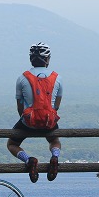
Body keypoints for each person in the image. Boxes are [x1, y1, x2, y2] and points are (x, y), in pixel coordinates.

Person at [7, 42, 63, 183]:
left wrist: (25, 119)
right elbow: (56, 105)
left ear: (31, 59)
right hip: (49, 122)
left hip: (28, 122)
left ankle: (29, 160)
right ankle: (55, 157)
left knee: (11, 144)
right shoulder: (57, 78)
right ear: (48, 59)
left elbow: (20, 106)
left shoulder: (22, 78)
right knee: (54, 140)